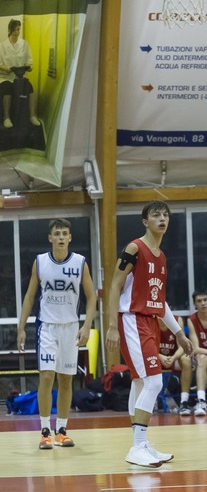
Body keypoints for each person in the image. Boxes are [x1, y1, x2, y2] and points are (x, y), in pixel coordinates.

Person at [105, 200, 193, 468]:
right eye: (156, 215)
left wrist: (178, 333)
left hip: (150, 321)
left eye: (165, 215)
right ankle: (137, 446)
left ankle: (141, 445)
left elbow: (159, 301)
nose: (162, 218)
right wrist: (112, 325)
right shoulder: (134, 248)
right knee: (154, 382)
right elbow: (114, 286)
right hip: (132, 319)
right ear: (145, 221)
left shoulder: (161, 257)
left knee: (140, 383)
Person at [17, 218, 97, 450]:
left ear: (70, 238)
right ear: (50, 238)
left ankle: (61, 431)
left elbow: (91, 296)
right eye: (57, 233)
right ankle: (45, 431)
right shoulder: (40, 262)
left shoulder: (80, 263)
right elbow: (29, 296)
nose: (61, 237)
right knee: (46, 377)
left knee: (66, 379)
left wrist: (86, 325)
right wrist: (21, 327)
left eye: (64, 233)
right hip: (47, 327)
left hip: (71, 327)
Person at [0, 19, 40, 128]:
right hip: (6, 77)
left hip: (20, 76)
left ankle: (32, 116)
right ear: (10, 30)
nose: (17, 32)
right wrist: (7, 68)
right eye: (15, 29)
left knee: (30, 88)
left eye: (18, 29)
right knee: (7, 88)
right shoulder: (2, 46)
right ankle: (6, 117)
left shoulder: (24, 44)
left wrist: (29, 67)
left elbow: (29, 62)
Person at [157, 315, 192, 415]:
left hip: (173, 357)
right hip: (156, 357)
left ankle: (184, 402)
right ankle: (150, 402)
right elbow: (146, 347)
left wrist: (173, 358)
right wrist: (160, 357)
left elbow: (182, 346)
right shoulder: (150, 320)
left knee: (186, 360)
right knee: (144, 358)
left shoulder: (177, 320)